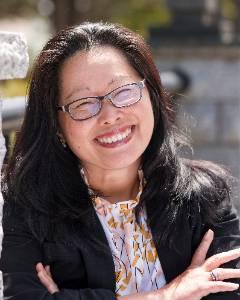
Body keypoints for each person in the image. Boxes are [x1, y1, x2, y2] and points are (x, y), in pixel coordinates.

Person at [0, 21, 240, 300]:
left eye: (124, 92)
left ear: (151, 94)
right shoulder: (30, 208)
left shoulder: (207, 198)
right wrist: (168, 295)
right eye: (83, 103)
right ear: (56, 124)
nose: (110, 115)